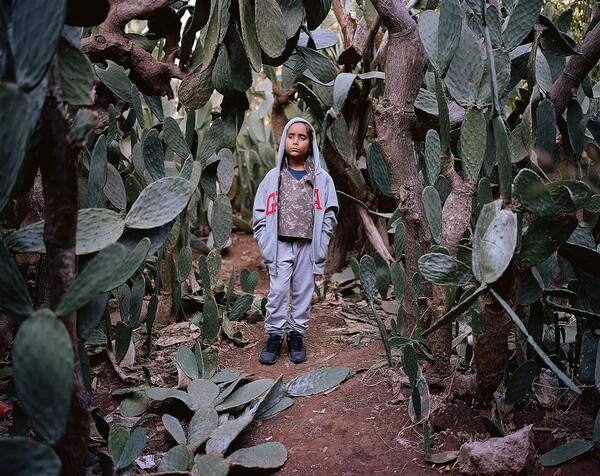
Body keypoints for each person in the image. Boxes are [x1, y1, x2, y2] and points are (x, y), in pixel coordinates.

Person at [252, 117, 339, 364]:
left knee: (303, 291)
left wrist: (323, 236)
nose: (296, 141)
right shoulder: (273, 177)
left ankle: (296, 333)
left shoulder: (321, 178)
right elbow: (260, 211)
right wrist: (263, 238)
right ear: (283, 140)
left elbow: (330, 210)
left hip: (307, 245)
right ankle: (275, 335)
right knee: (278, 291)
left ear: (310, 143)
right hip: (279, 244)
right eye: (291, 136)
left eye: (302, 137)